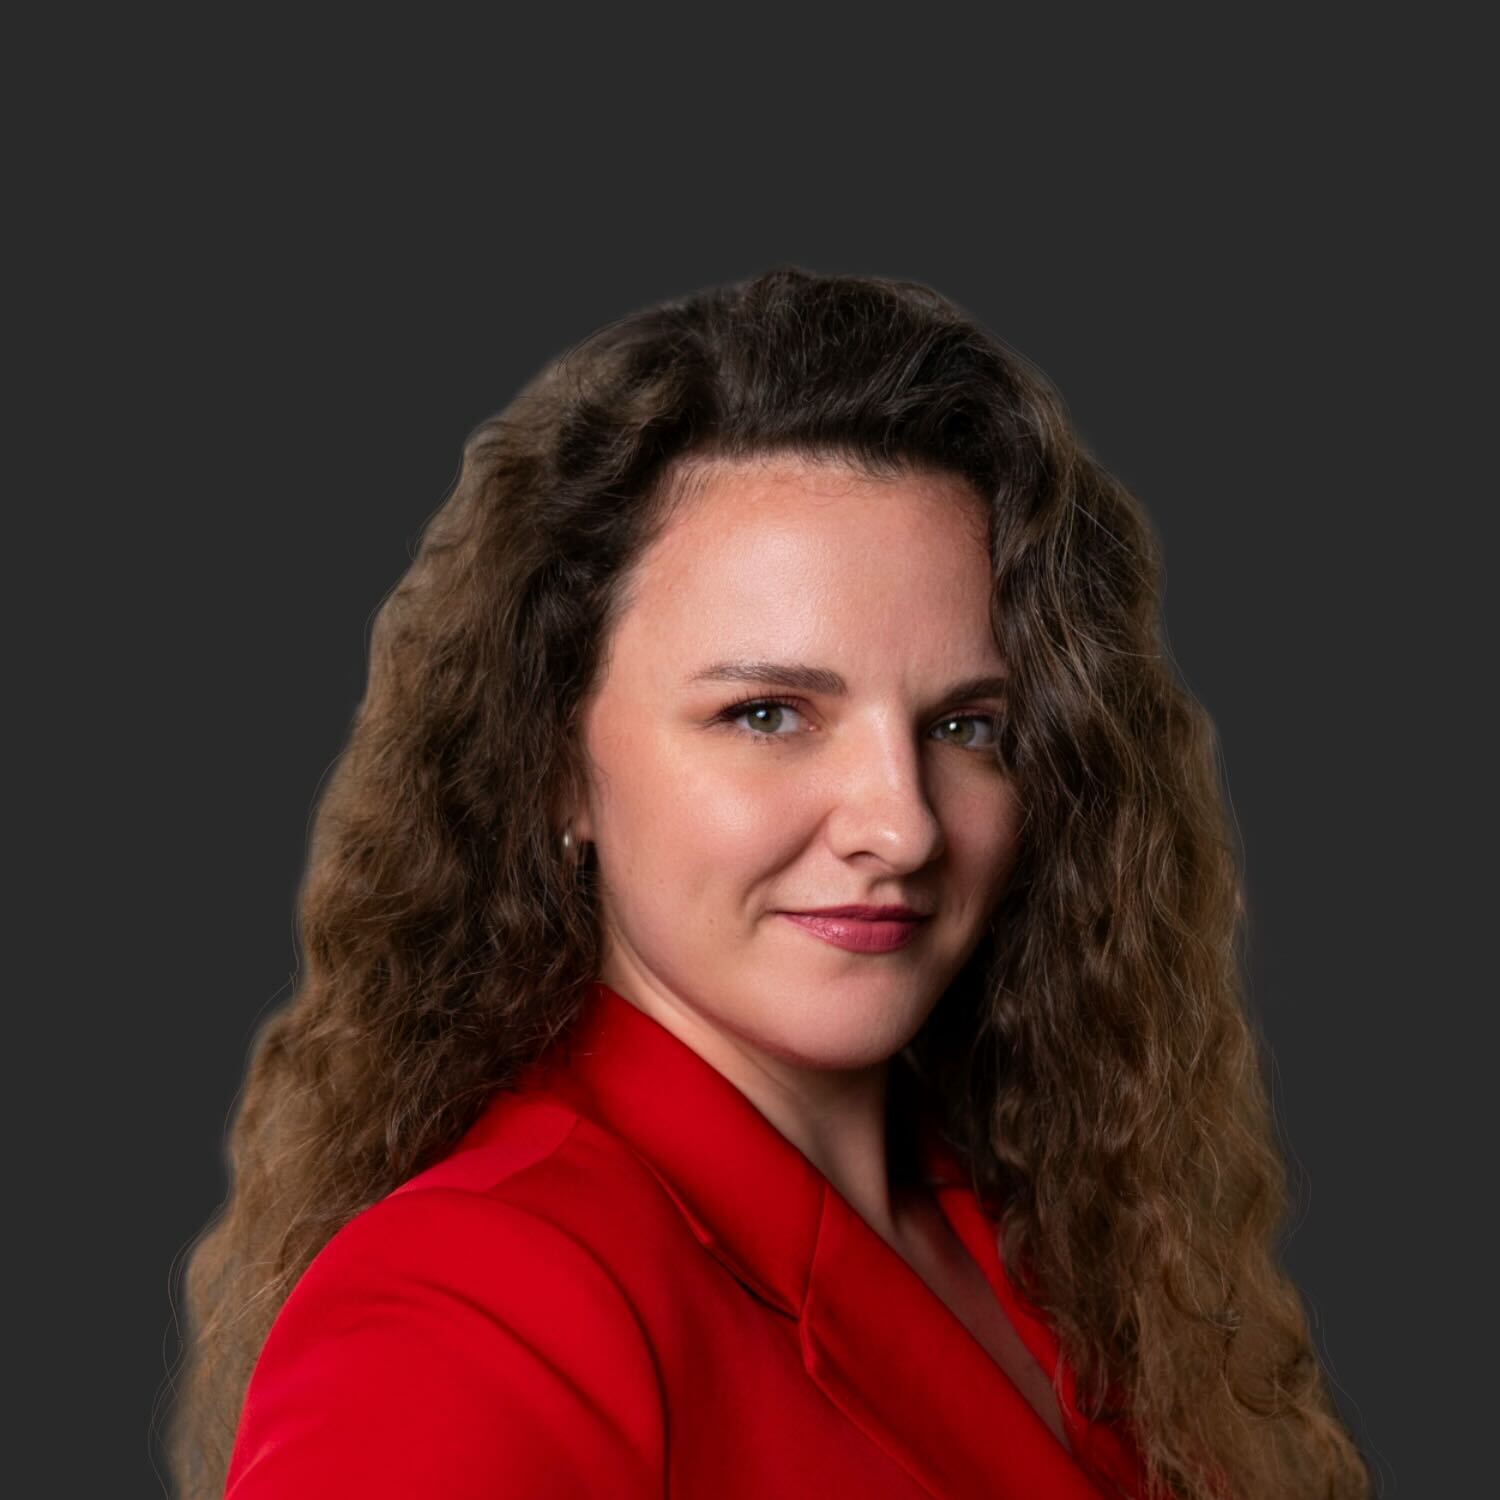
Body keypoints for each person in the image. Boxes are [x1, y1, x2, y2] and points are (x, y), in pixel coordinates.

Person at [167, 269, 1370, 1499]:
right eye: (767, 714)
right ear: (555, 767)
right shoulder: (473, 1306)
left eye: (967, 728)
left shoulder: (1058, 1235)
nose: (902, 826)